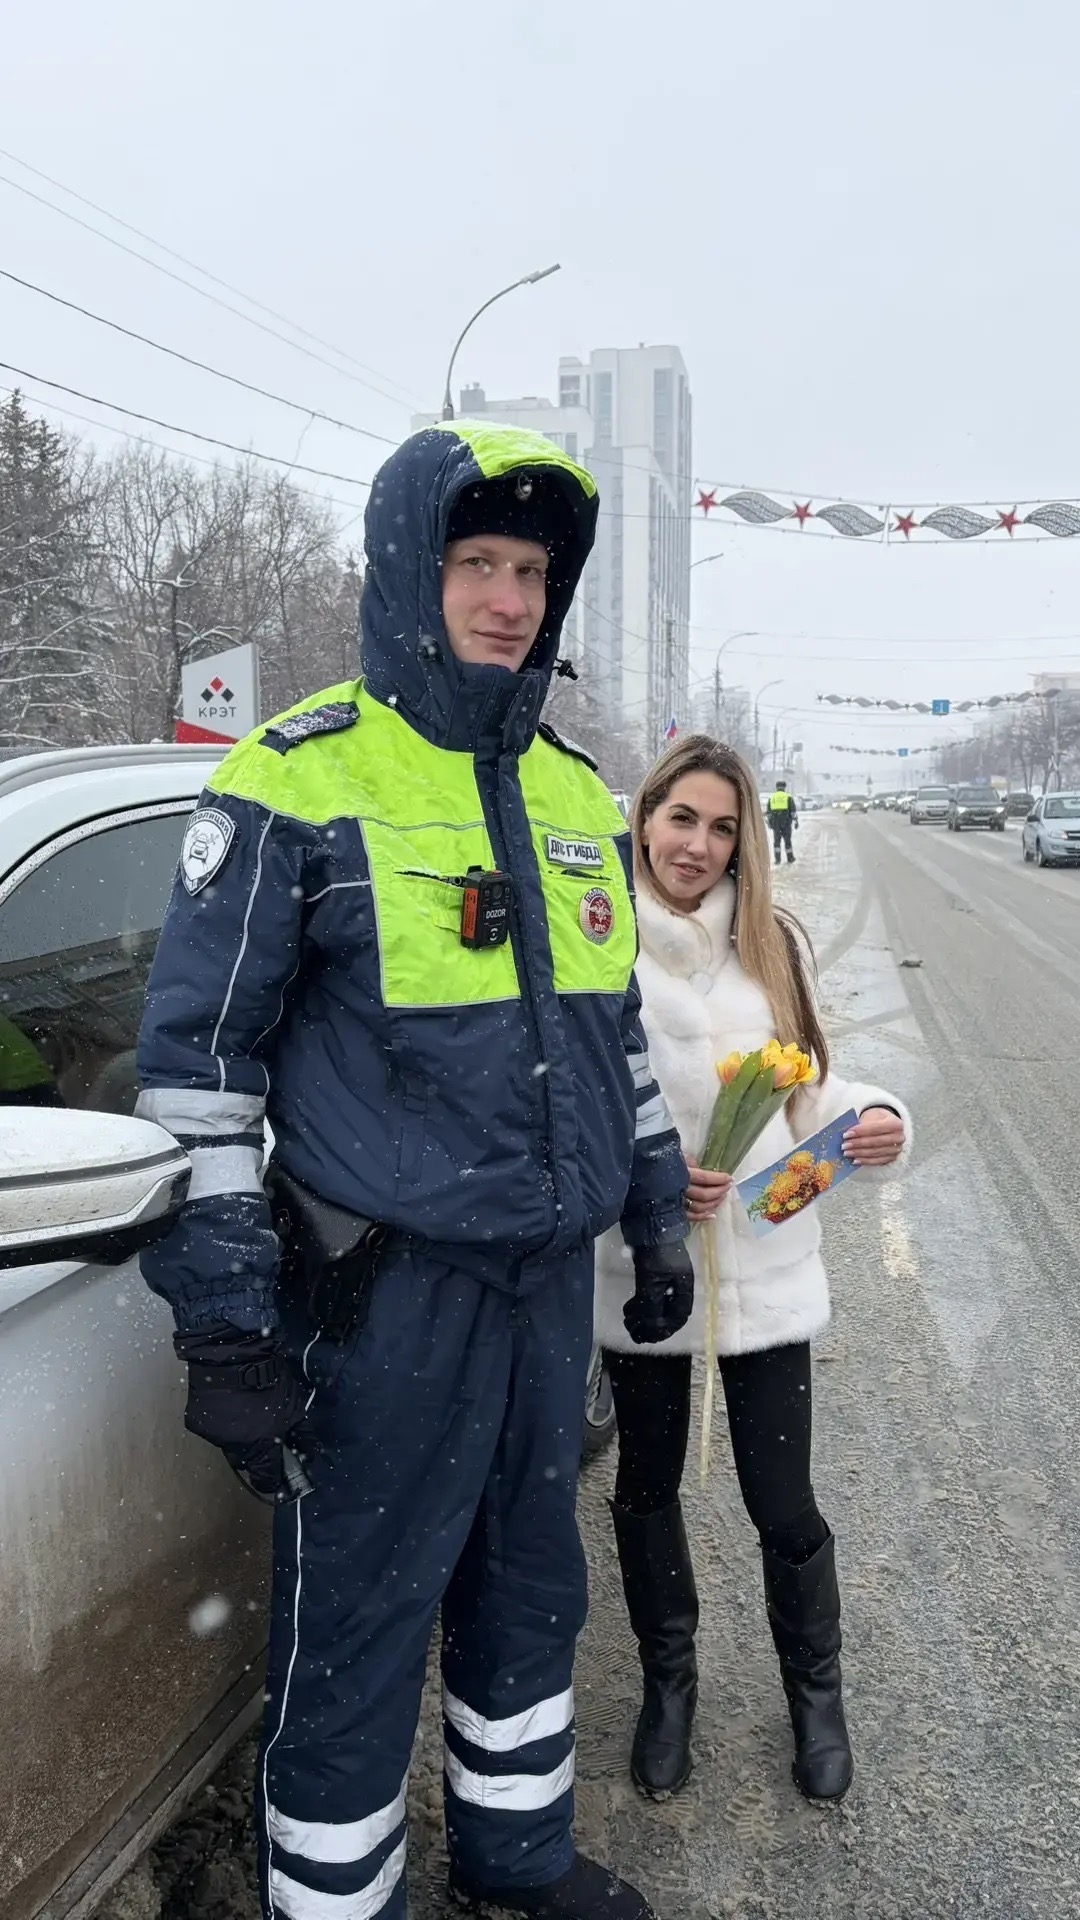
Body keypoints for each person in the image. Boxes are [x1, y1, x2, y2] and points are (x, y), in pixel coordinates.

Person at [136, 420, 693, 1920]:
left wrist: (654, 1212)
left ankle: (515, 1854)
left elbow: (613, 1038)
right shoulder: (295, 779)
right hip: (382, 1301)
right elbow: (198, 1073)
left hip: (541, 1294)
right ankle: (338, 1901)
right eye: (476, 562)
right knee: (358, 1625)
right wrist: (226, 1320)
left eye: (532, 572)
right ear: (408, 570)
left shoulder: (574, 793)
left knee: (531, 1587)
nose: (508, 599)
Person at [594, 736, 911, 1806]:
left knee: (784, 1501)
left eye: (723, 827)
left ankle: (816, 1694)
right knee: (646, 1489)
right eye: (682, 818)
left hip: (767, 1269)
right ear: (645, 818)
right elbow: (573, 1104)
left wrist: (872, 1118)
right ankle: (668, 1684)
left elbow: (811, 1089)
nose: (698, 845)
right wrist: (642, 1179)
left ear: (743, 843)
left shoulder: (774, 944)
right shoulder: (595, 936)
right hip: (642, 1266)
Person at [767, 779, 798, 864]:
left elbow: (768, 813)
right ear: (784, 787)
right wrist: (796, 821)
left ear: (776, 787)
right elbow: (793, 812)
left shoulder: (772, 798)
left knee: (777, 842)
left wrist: (770, 823)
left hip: (776, 824)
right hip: (786, 823)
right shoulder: (788, 797)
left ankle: (777, 860)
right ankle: (790, 858)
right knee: (787, 841)